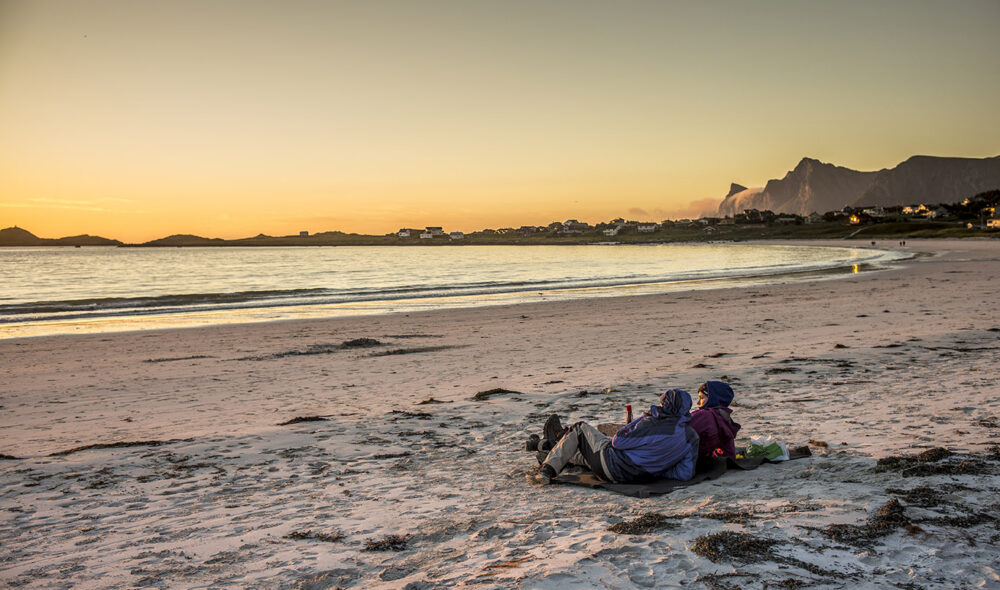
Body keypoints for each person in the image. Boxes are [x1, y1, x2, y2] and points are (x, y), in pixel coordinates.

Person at [530, 389, 699, 485]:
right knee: (586, 452)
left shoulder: (653, 423)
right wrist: (656, 468)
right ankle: (546, 447)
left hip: (613, 466)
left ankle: (547, 469)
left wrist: (643, 418)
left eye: (662, 403)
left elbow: (618, 441)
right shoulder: (691, 436)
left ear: (666, 404)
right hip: (639, 477)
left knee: (579, 429)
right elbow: (684, 473)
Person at [689, 380, 741, 460]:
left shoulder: (704, 415)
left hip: (689, 460)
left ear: (713, 398)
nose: (698, 402)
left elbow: (679, 433)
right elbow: (730, 453)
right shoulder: (724, 418)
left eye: (702, 398)